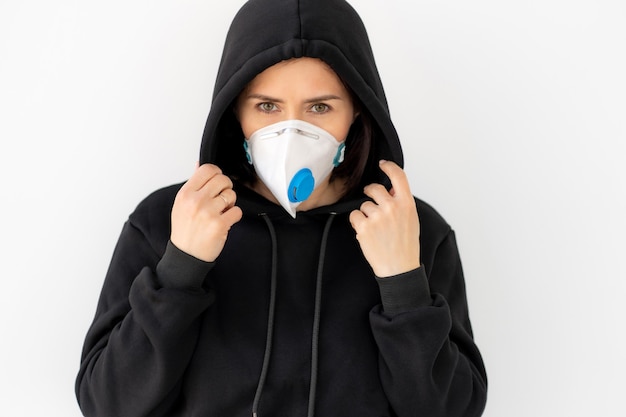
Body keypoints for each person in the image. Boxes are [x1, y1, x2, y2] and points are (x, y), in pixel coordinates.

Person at [75, 0, 488, 416]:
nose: (292, 134)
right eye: (267, 107)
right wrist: (181, 268)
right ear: (235, 108)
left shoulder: (412, 229)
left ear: (357, 110)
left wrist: (402, 283)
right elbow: (108, 405)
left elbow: (454, 410)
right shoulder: (167, 220)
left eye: (320, 107)